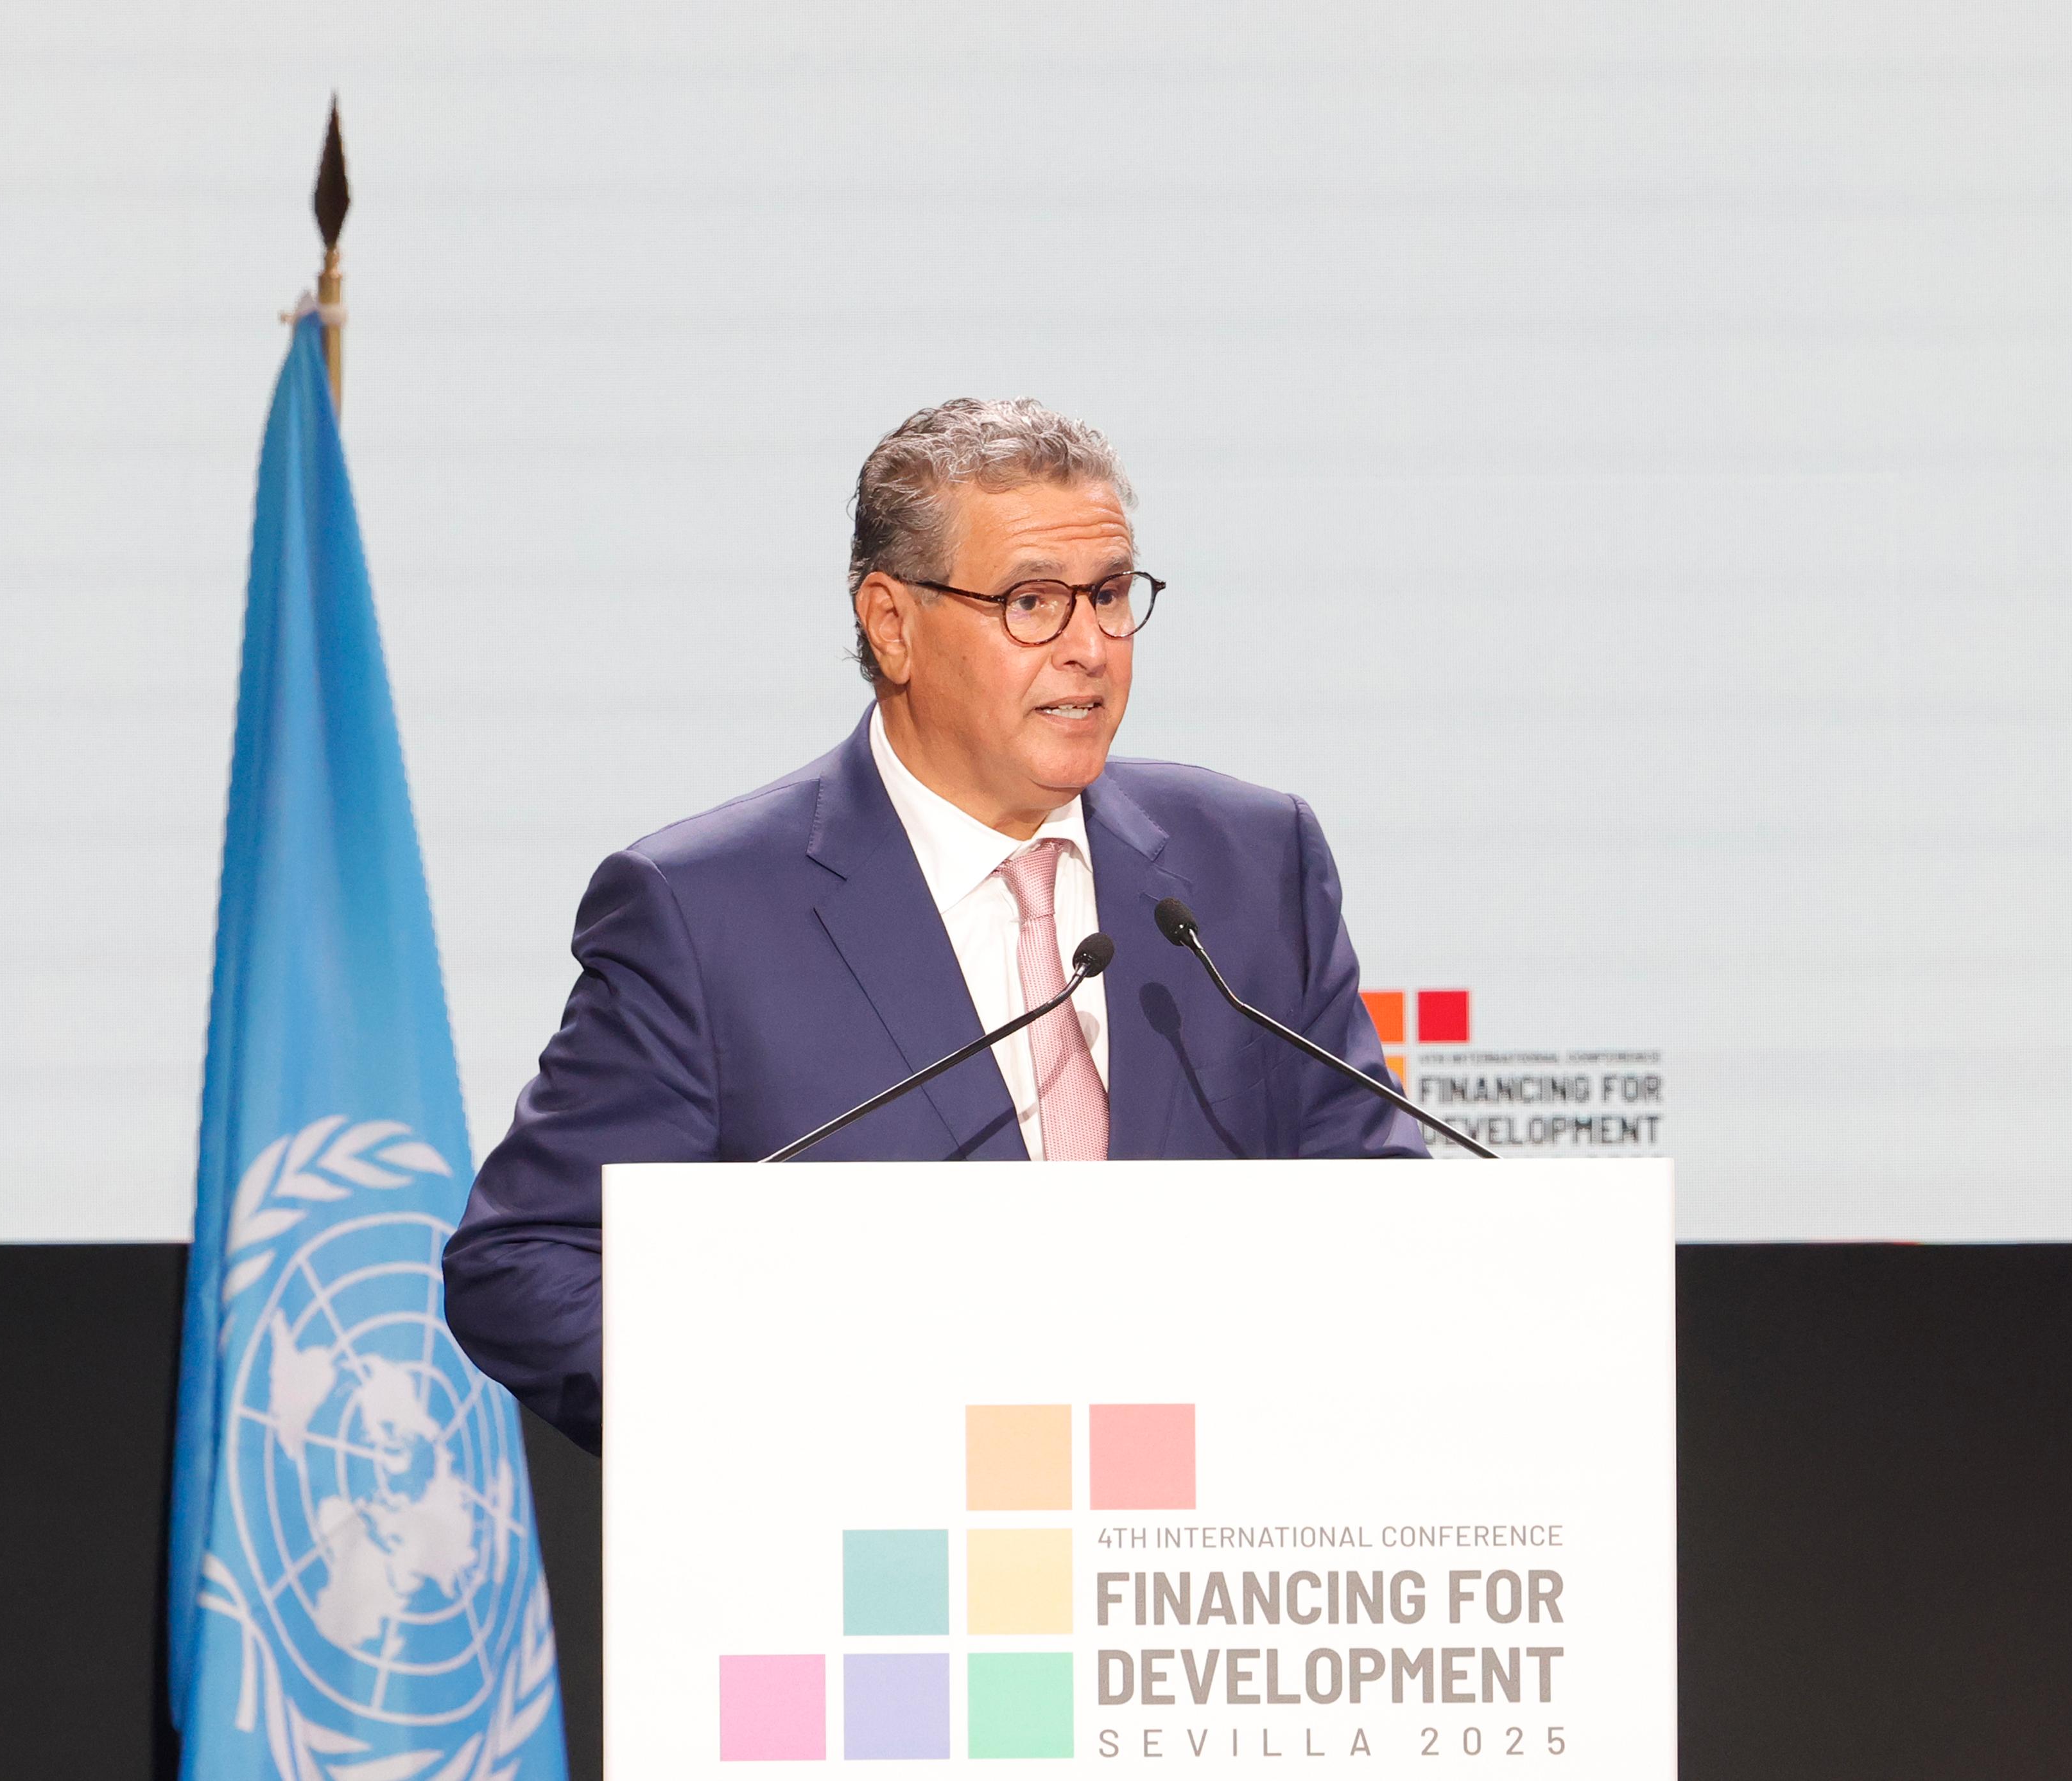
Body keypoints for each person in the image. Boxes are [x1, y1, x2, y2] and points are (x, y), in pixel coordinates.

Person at [444, 398, 1420, 1452]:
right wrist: (787, 1427)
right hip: (881, 1536)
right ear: (892, 624)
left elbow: (1383, 1221)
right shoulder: (703, 915)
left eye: (1108, 595)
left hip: (1198, 1519)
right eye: (1032, 602)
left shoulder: (1253, 867)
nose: (1090, 647)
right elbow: (525, 1258)